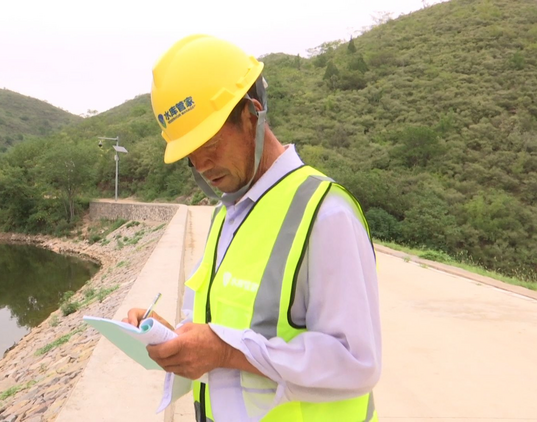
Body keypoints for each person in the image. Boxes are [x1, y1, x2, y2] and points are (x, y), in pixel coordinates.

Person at [124, 34, 381, 422]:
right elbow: (224, 327)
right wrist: (177, 340)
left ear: (251, 113)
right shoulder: (224, 217)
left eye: (209, 142)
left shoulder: (326, 213)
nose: (203, 164)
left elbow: (357, 361)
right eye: (190, 153)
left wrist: (227, 352)